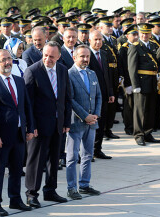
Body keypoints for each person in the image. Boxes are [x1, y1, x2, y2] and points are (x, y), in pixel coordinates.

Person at [24, 41, 71, 208]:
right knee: (36, 161)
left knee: (54, 159)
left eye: (52, 56)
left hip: (57, 124)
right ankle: (31, 193)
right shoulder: (33, 71)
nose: (48, 59)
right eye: (45, 55)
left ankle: (50, 190)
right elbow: (27, 102)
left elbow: (66, 97)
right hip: (39, 125)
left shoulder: (63, 70)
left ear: (59, 56)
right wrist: (31, 125)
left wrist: (66, 121)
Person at [0, 49, 34, 216]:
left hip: (20, 133)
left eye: (9, 59)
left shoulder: (19, 81)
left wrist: (30, 127)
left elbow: (26, 106)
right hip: (1, 136)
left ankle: (15, 199)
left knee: (16, 169)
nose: (7, 63)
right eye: (3, 60)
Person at [66, 45, 102, 200]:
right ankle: (71, 187)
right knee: (72, 157)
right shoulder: (69, 74)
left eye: (87, 56)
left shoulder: (92, 73)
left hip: (92, 122)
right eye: (82, 56)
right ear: (74, 57)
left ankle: (85, 184)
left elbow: (99, 96)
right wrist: (84, 116)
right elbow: (70, 99)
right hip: (76, 122)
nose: (86, 59)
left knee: (88, 154)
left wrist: (95, 115)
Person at [128, 23, 160, 146]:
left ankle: (148, 132)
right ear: (139, 34)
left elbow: (155, 63)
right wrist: (135, 84)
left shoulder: (153, 45)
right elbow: (132, 67)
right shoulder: (135, 47)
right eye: (142, 33)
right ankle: (138, 134)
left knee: (150, 109)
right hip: (141, 83)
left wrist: (158, 74)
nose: (145, 35)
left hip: (152, 81)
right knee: (140, 110)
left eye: (147, 33)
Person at [87, 31, 113, 159]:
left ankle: (98, 149)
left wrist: (110, 92)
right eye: (95, 39)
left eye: (100, 39)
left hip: (103, 94)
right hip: (92, 95)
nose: (98, 42)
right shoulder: (87, 54)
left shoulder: (104, 53)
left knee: (102, 123)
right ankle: (89, 151)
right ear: (90, 40)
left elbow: (107, 75)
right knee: (92, 123)